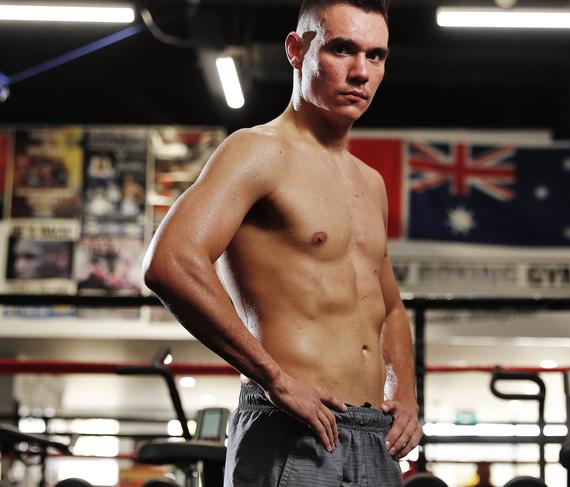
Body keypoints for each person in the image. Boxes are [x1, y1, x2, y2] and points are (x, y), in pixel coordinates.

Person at [143, 0, 422, 485]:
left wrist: (406, 390)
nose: (361, 72)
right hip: (289, 424)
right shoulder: (257, 151)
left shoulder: (370, 182)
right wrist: (273, 378)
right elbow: (170, 261)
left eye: (375, 56)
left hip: (373, 438)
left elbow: (389, 306)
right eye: (342, 49)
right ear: (296, 50)